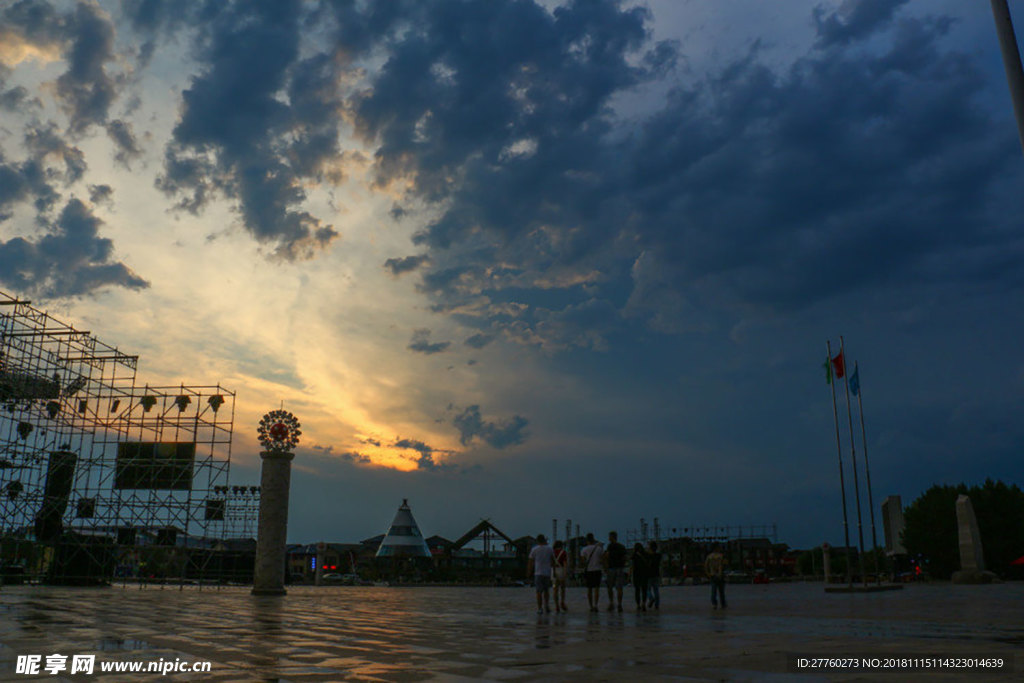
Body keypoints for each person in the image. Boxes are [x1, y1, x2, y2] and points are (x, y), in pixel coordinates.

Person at [527, 534, 555, 613]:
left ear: (537, 541)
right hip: (547, 573)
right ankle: (546, 606)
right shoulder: (550, 549)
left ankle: (540, 608)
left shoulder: (534, 549)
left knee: (538, 591)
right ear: (544, 540)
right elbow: (553, 561)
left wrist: (529, 572)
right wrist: (554, 571)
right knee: (546, 591)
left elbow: (530, 562)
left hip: (538, 573)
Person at [580, 533, 604, 612]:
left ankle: (590, 606)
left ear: (587, 540)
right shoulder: (599, 549)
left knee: (589, 589)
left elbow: (582, 561)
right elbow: (602, 559)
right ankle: (596, 605)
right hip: (597, 570)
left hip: (589, 570)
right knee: (597, 588)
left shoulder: (584, 549)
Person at [604, 531, 627, 612]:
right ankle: (619, 604)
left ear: (612, 537)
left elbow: (607, 556)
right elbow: (625, 558)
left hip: (612, 568)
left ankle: (611, 603)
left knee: (610, 587)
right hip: (620, 568)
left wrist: (606, 567)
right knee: (619, 587)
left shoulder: (610, 546)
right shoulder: (622, 547)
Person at [704, 543, 727, 609]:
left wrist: (708, 573)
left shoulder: (709, 556)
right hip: (720, 575)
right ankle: (723, 604)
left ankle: (714, 604)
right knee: (721, 592)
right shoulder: (721, 556)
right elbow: (724, 565)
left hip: (712, 575)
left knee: (713, 591)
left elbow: (706, 566)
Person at [630, 542, 650, 611]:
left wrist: (629, 576)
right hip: (645, 574)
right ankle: (644, 603)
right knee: (644, 590)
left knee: (637, 590)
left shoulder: (634, 556)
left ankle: (638, 605)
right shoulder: (646, 555)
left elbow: (632, 566)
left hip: (637, 575)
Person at [552, 540, 569, 612]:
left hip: (554, 570)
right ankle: (562, 602)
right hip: (561, 570)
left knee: (555, 589)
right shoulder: (563, 552)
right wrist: (565, 573)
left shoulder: (552, 552)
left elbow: (551, 563)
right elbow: (565, 563)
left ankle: (556, 606)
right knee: (562, 588)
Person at [646, 540, 662, 609]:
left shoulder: (648, 556)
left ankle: (651, 598)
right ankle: (657, 605)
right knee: (656, 590)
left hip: (649, 575)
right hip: (656, 574)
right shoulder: (658, 556)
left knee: (647, 589)